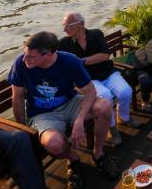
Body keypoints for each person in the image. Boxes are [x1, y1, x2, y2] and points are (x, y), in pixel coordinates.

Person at [8, 31, 120, 189]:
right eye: (24, 54)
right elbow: (17, 97)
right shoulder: (21, 64)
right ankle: (73, 158)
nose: (25, 59)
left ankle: (98, 153)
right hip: (42, 114)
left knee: (105, 105)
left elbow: (90, 91)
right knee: (54, 144)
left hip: (70, 103)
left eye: (31, 56)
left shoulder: (70, 61)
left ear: (48, 55)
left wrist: (80, 121)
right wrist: (22, 128)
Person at [58, 11, 142, 148]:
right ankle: (111, 127)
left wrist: (81, 61)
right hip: (87, 80)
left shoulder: (96, 34)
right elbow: (53, 57)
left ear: (82, 24)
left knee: (126, 91)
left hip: (107, 73)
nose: (65, 29)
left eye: (69, 26)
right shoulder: (63, 43)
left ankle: (124, 117)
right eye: (64, 26)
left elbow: (104, 56)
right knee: (105, 96)